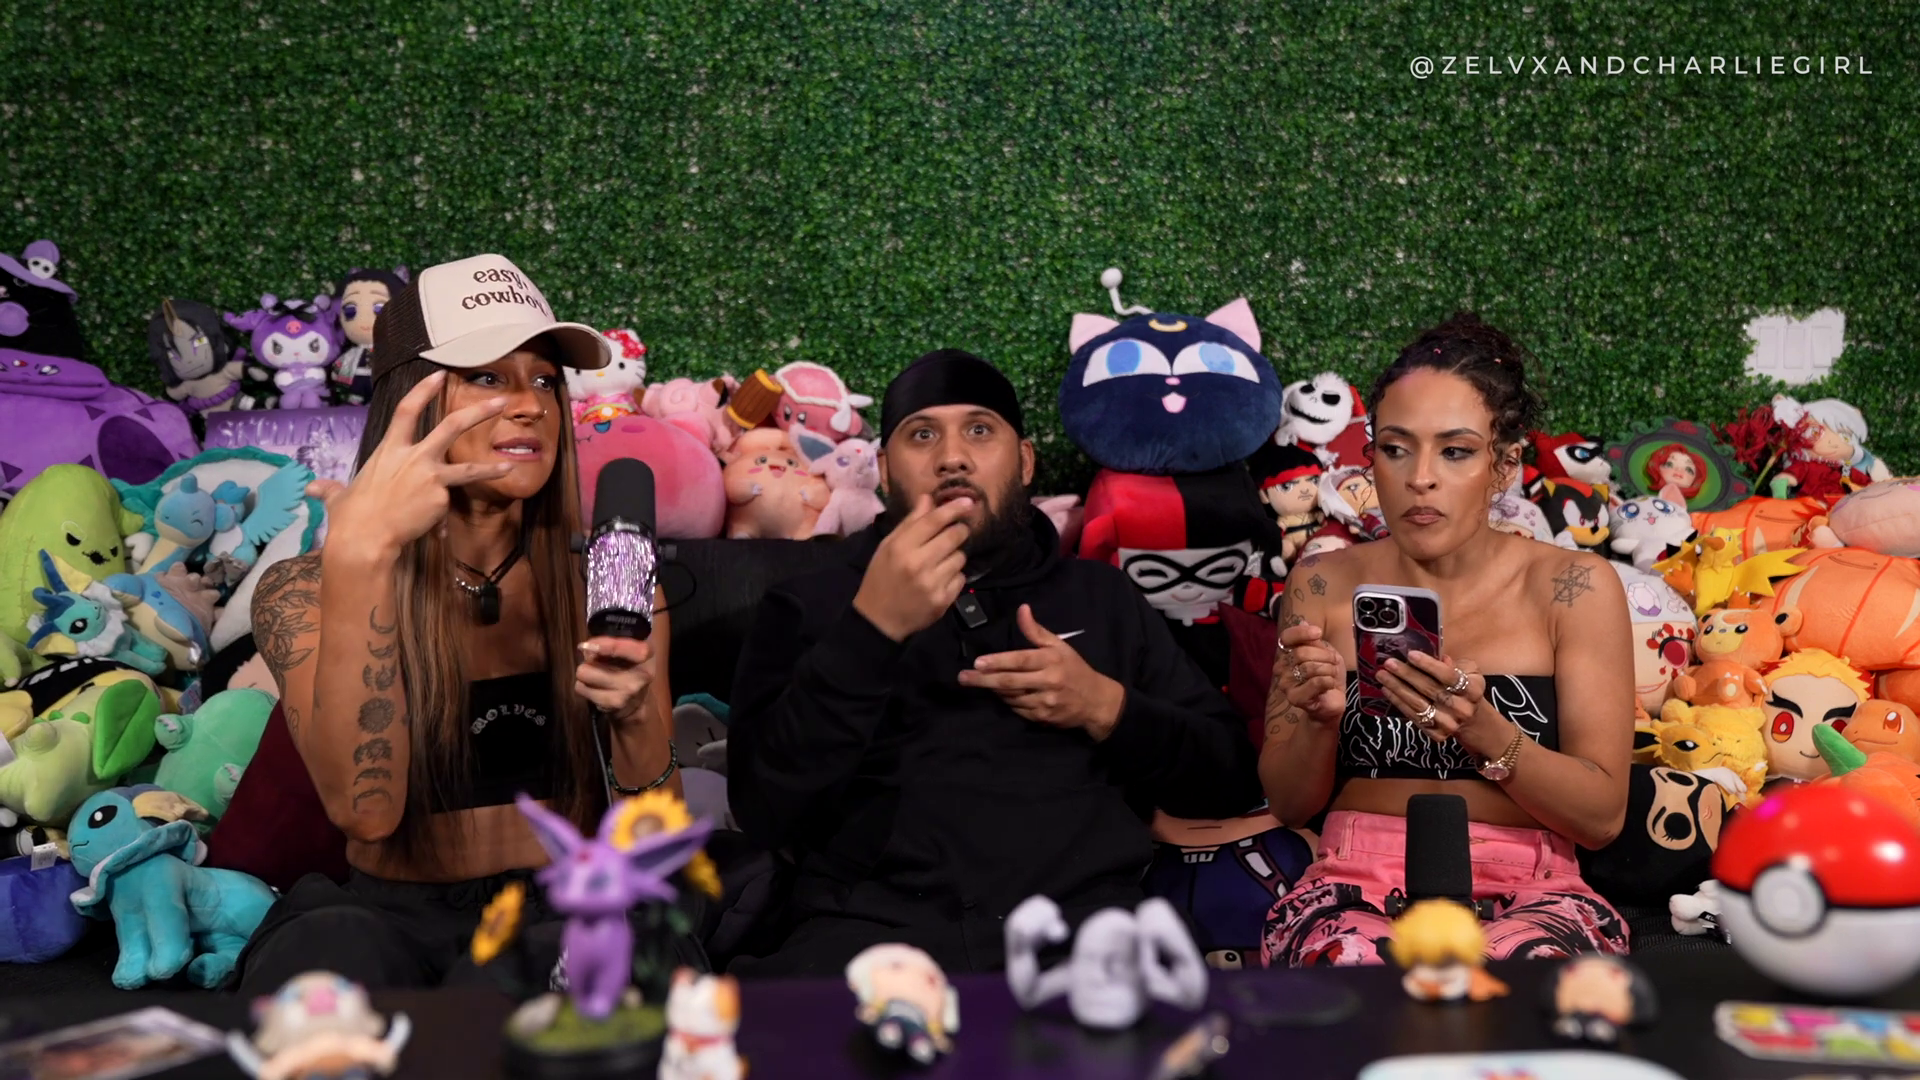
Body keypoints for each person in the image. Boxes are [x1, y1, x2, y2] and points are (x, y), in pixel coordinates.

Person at [727, 348, 1264, 976]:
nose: (952, 457)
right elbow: (763, 811)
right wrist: (872, 631)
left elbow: (1229, 780)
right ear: (884, 471)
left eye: (980, 430)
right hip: (866, 945)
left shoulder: (1102, 597)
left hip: (1086, 943)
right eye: (921, 435)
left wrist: (1106, 708)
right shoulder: (808, 602)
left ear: (1026, 461)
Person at [234, 254, 681, 995]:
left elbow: (654, 839)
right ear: (412, 400)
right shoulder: (303, 590)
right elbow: (366, 816)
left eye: (546, 380)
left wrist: (634, 717)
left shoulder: (606, 585)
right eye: (487, 376)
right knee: (327, 955)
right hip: (391, 920)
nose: (530, 404)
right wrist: (363, 559)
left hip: (565, 909)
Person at [1260, 313, 1635, 967]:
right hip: (1352, 883)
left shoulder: (1574, 586)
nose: (1420, 478)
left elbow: (1601, 820)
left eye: (1455, 451)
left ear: (1505, 464)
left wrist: (1484, 731)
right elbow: (1290, 804)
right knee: (1351, 968)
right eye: (1395, 448)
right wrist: (1320, 721)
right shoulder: (1320, 583)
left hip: (1533, 889)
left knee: (1526, 976)